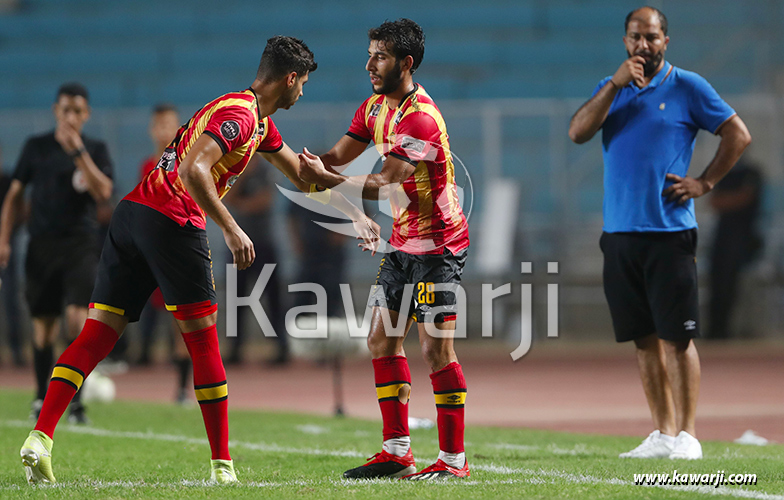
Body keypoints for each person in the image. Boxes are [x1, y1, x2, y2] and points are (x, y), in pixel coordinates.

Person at [18, 36, 377, 485]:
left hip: (134, 215)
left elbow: (304, 176)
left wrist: (353, 213)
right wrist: (230, 226)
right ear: (289, 79)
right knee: (205, 342)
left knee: (96, 336)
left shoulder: (255, 121)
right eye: (301, 83)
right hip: (171, 221)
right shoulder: (240, 117)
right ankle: (223, 468)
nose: (301, 92)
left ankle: (40, 438)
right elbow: (192, 169)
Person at [568, 7, 751, 460]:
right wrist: (613, 83)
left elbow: (738, 134)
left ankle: (688, 435)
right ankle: (663, 433)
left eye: (651, 37)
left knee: (677, 338)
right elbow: (577, 132)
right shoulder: (613, 90)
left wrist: (704, 182)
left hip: (669, 235)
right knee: (644, 339)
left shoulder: (687, 86)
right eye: (635, 37)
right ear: (625, 41)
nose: (642, 45)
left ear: (665, 41)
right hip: (620, 235)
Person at [298, 19, 471, 480]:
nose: (370, 63)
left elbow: (384, 180)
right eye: (370, 53)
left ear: (406, 63)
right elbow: (336, 157)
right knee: (380, 339)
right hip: (401, 244)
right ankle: (397, 452)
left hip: (438, 247)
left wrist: (328, 179)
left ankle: (454, 461)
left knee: (436, 350)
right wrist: (300, 159)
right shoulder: (374, 108)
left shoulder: (421, 118)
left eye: (380, 56)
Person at [0, 83, 114, 425]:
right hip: (41, 245)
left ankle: (75, 403)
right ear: (55, 111)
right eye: (65, 110)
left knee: (79, 322)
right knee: (44, 329)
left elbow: (104, 192)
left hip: (80, 245)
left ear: (86, 115)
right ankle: (40, 394)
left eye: (77, 111)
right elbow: (14, 196)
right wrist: (4, 238)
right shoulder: (36, 147)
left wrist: (78, 152)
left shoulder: (95, 148)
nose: (70, 116)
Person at [135, 103, 193, 403]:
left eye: (169, 124)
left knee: (182, 322)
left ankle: (183, 388)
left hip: (180, 252)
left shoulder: (187, 163)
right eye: (158, 125)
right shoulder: (147, 166)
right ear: (151, 130)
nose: (163, 131)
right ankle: (133, 360)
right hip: (152, 253)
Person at [223, 155, 288, 365]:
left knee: (273, 299)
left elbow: (264, 201)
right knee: (236, 299)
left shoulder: (267, 172)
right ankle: (235, 349)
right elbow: (225, 197)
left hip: (263, 244)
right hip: (237, 246)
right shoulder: (233, 171)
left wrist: (240, 205)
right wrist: (242, 176)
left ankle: (281, 348)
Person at [707, 161, 764, 339]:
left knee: (732, 284)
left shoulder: (751, 173)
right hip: (722, 237)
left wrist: (728, 200)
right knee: (717, 282)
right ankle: (716, 328)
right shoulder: (723, 172)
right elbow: (714, 202)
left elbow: (745, 198)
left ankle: (728, 329)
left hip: (744, 237)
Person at [0, 142, 25, 367]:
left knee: (10, 299)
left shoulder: (7, 181)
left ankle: (17, 350)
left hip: (5, 251)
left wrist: (5, 239)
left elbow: (20, 211)